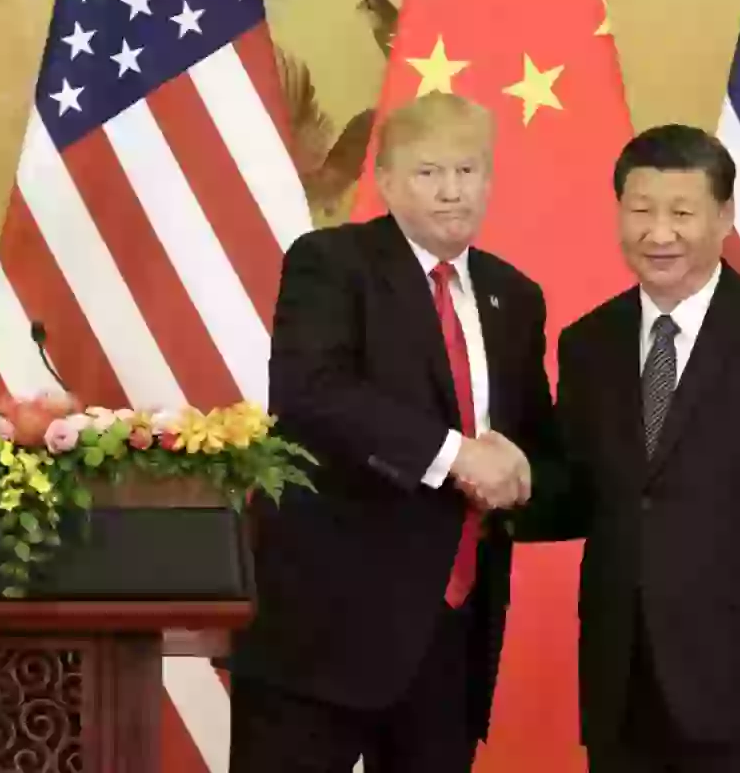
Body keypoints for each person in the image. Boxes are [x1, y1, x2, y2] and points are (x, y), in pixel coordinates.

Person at [520, 124, 740, 771]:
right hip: (623, 679)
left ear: (725, 217)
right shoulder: (588, 342)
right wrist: (491, 482)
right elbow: (577, 495)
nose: (660, 234)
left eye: (682, 213)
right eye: (641, 211)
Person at [228, 92, 554, 773]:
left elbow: (530, 443)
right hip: (324, 631)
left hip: (451, 637)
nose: (451, 191)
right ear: (386, 180)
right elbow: (311, 394)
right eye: (428, 172)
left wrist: (525, 475)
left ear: (490, 180)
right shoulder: (330, 263)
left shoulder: (514, 295)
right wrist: (457, 454)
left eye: (467, 171)